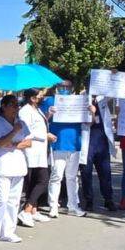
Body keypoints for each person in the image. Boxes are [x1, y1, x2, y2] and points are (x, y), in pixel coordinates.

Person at [0, 94, 32, 245]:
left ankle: (8, 232)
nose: (16, 108)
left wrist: (12, 145)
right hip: (2, 167)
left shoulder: (22, 122)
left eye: (17, 105)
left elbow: (28, 143)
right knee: (1, 200)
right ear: (4, 106)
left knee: (14, 201)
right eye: (12, 105)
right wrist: (14, 133)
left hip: (18, 166)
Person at [40, 79, 86, 218]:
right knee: (56, 176)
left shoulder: (79, 102)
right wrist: (49, 114)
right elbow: (40, 122)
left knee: (72, 178)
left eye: (67, 86)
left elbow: (88, 121)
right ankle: (53, 206)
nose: (64, 89)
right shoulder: (49, 102)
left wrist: (91, 111)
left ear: (72, 89)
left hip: (75, 144)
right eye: (61, 86)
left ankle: (73, 206)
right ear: (56, 87)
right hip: (58, 144)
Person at [17, 88, 53, 227]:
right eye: (39, 95)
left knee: (36, 181)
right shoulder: (25, 111)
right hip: (31, 151)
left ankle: (33, 210)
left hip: (40, 151)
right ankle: (26, 211)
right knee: (42, 181)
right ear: (32, 98)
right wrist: (45, 136)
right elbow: (27, 131)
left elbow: (39, 126)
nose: (42, 96)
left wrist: (48, 116)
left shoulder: (35, 109)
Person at [82, 94, 117, 212]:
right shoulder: (83, 102)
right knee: (86, 173)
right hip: (88, 144)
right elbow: (86, 123)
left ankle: (108, 199)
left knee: (105, 172)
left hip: (102, 143)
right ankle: (89, 200)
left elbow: (115, 91)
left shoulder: (103, 100)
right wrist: (92, 113)